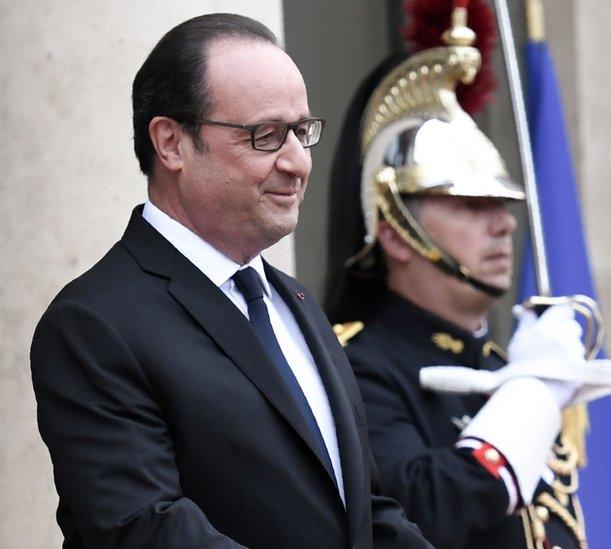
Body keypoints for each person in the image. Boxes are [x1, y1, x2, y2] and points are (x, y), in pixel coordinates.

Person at [30, 13, 430, 548]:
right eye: (264, 136)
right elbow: (144, 530)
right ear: (171, 143)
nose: (297, 163)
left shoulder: (295, 302)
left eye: (302, 132)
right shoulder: (95, 323)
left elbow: (363, 513)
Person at [325, 6, 611, 549]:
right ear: (395, 232)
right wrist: (534, 392)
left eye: (503, 203)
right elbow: (424, 513)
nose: (503, 224)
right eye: (470, 205)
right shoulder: (353, 367)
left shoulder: (502, 363)